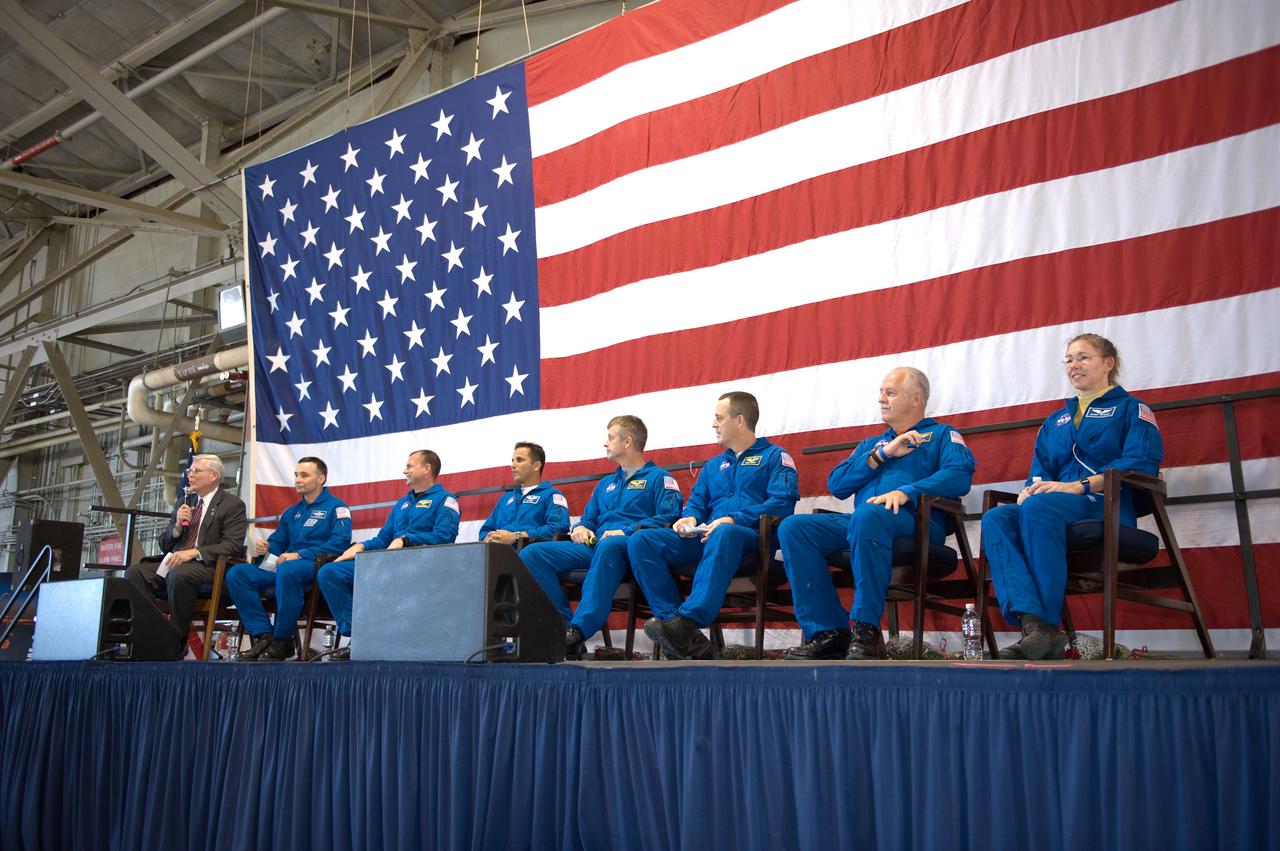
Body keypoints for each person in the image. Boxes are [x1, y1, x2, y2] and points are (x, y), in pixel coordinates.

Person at [983, 333, 1162, 660]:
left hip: (1103, 505)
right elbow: (1039, 472)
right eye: (1068, 359)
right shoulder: (1055, 421)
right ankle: (1034, 624)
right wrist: (1030, 488)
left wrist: (1079, 486)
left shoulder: (1131, 409)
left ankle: (1048, 622)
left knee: (1039, 507)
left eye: (1083, 357)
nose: (1073, 365)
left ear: (1108, 363)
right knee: (997, 518)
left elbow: (1142, 462)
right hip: (1051, 508)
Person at [778, 368, 976, 660]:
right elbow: (838, 485)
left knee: (868, 515)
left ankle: (867, 629)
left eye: (890, 392)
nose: (881, 398)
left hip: (915, 522)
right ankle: (829, 632)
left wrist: (907, 491)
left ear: (916, 398)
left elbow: (960, 475)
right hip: (864, 521)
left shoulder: (943, 435)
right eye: (881, 392)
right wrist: (881, 455)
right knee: (794, 528)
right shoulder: (873, 444)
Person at [630, 391, 799, 660]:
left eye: (719, 418)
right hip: (706, 538)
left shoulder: (775, 457)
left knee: (725, 531)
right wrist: (689, 519)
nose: (714, 424)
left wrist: (735, 518)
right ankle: (680, 630)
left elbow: (782, 503)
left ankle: (688, 620)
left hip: (750, 540)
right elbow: (697, 503)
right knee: (642, 541)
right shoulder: (713, 465)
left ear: (740, 420)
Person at [519, 416, 683, 659]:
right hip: (596, 547)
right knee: (532, 554)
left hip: (632, 548)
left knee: (610, 543)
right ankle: (563, 629)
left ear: (628, 441)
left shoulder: (660, 478)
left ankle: (580, 628)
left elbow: (670, 517)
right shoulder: (606, 483)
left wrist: (627, 531)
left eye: (610, 437)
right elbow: (589, 519)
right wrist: (582, 528)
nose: (605, 443)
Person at [316, 449, 459, 659]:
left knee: (379, 577)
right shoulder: (402, 503)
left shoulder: (446, 500)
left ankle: (378, 637)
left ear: (426, 468)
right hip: (387, 562)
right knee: (329, 573)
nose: (405, 470)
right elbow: (384, 538)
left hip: (420, 563)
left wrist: (407, 540)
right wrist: (361, 547)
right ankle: (359, 634)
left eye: (410, 466)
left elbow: (445, 536)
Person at [225, 457, 351, 661]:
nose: (298, 479)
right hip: (286, 565)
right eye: (296, 475)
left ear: (321, 478)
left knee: (288, 569)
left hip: (316, 565)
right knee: (238, 574)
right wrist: (266, 547)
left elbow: (340, 544)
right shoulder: (291, 512)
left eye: (304, 475)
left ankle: (283, 640)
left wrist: (300, 554)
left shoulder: (337, 508)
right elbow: (278, 543)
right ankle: (263, 635)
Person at [124, 453, 248, 644]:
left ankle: (176, 639)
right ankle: (146, 635)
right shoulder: (185, 501)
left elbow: (232, 545)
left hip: (209, 567)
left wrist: (194, 552)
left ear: (213, 475)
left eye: (196, 471)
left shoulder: (232, 505)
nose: (190, 474)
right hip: (175, 561)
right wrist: (176, 529)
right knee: (136, 573)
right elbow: (164, 544)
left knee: (180, 575)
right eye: (189, 470)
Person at [478, 442, 571, 545]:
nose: (513, 465)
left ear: (536, 466)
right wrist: (489, 538)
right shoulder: (506, 498)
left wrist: (517, 536)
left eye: (519, 460)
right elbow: (485, 530)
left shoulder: (552, 495)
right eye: (512, 461)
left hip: (530, 557)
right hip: (497, 556)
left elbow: (558, 528)